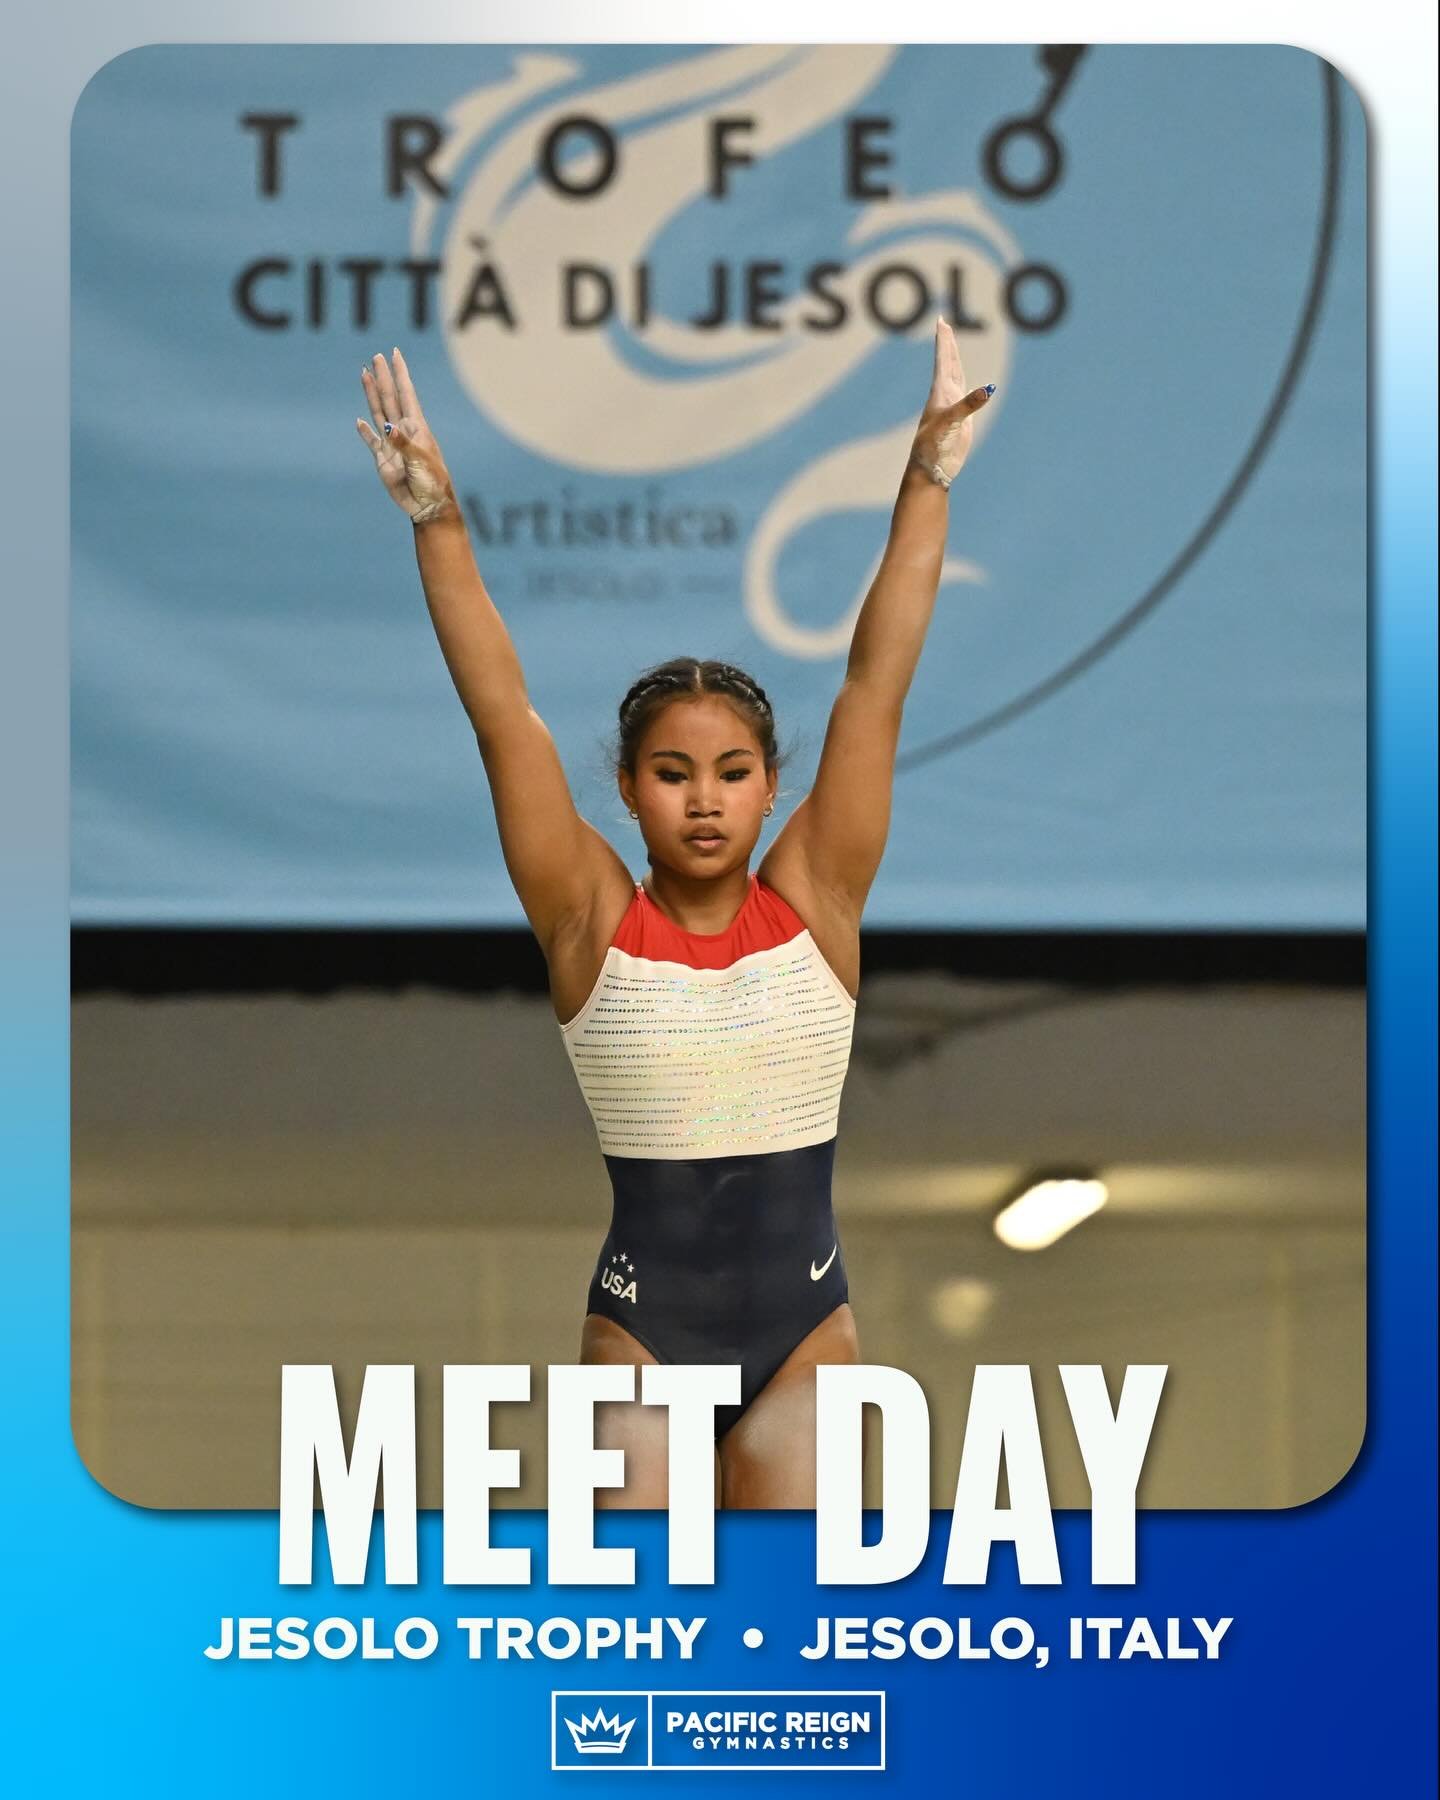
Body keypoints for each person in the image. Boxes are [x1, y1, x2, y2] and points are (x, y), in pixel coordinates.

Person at [356, 324, 992, 1507]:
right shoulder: (588, 923)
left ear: (771, 784)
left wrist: (927, 481)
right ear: (628, 789)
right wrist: (436, 522)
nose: (705, 797)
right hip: (644, 1339)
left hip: (809, 1333)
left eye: (734, 769)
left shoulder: (818, 901)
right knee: (643, 1628)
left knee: (786, 1627)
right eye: (673, 771)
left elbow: (875, 684)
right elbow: (503, 715)